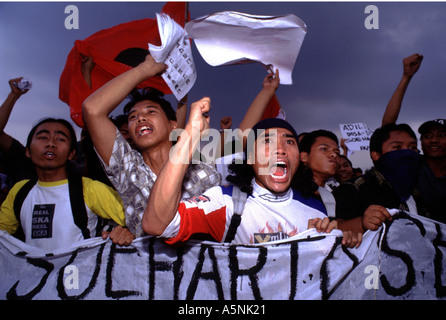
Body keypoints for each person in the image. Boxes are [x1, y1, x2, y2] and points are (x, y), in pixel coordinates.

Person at [142, 105, 360, 247]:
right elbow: (157, 224)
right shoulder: (225, 203)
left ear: (298, 157)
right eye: (267, 141)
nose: (280, 149)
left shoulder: (317, 209)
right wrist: (188, 138)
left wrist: (341, 240)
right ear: (249, 159)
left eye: (289, 141)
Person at [82, 54, 221, 238]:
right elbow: (92, 109)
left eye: (151, 111)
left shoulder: (204, 174)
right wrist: (144, 70)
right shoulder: (126, 168)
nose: (140, 118)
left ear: (173, 125)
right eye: (133, 117)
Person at [0, 118, 132, 250]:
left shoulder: (90, 189)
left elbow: (138, 222)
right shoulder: (20, 190)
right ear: (28, 151)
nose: (51, 143)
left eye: (60, 139)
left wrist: (127, 232)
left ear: (72, 154)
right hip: (33, 271)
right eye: (43, 137)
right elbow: (2, 233)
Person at [381, 53, 446, 223]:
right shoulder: (413, 166)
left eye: (441, 135)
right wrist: (406, 77)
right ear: (421, 143)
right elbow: (388, 127)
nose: (434, 140)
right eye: (428, 136)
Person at [334, 123, 424, 233]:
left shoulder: (425, 190)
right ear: (376, 155)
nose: (407, 152)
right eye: (397, 147)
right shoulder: (353, 189)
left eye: (413, 147)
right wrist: (361, 223)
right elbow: (333, 228)